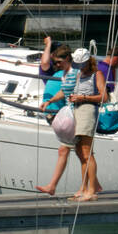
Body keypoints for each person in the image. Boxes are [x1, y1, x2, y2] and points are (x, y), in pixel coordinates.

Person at [68, 48, 107, 200]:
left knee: (86, 152)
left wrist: (83, 97)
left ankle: (91, 190)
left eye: (81, 64)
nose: (79, 66)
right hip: (77, 111)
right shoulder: (79, 75)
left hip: (87, 112)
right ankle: (84, 187)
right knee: (79, 151)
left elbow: (104, 96)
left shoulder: (96, 74)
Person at [36, 45, 75, 196]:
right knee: (72, 151)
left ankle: (92, 187)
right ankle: (52, 186)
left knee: (84, 153)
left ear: (67, 59)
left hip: (74, 116)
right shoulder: (65, 74)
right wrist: (49, 102)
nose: (56, 66)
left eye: (58, 62)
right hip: (67, 116)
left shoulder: (73, 74)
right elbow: (64, 91)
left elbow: (70, 92)